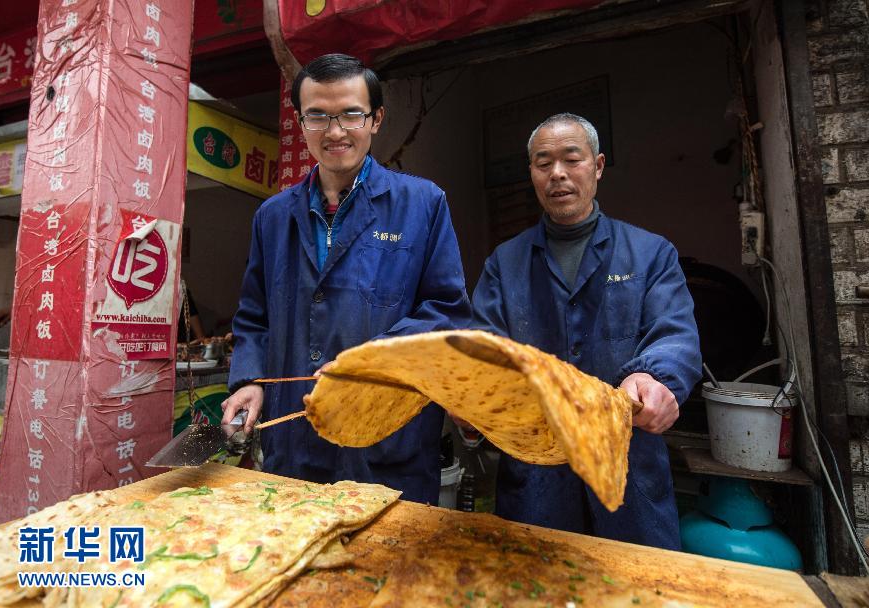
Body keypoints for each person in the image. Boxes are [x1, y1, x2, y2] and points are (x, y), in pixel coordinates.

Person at [222, 54, 470, 504]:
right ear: (301, 124)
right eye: (318, 116)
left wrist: (368, 360)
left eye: (350, 114)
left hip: (388, 440)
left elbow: (446, 311)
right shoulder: (273, 217)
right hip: (294, 444)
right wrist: (249, 381)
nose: (335, 132)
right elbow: (254, 318)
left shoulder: (423, 204)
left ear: (375, 119)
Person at [470, 113, 701, 549]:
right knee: (538, 588)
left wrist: (654, 378)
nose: (557, 173)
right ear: (533, 174)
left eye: (570, 159)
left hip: (627, 467)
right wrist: (471, 402)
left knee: (636, 589)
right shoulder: (505, 264)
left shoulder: (650, 253)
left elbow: (675, 335)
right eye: (543, 163)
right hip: (535, 473)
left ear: (596, 166)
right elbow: (482, 349)